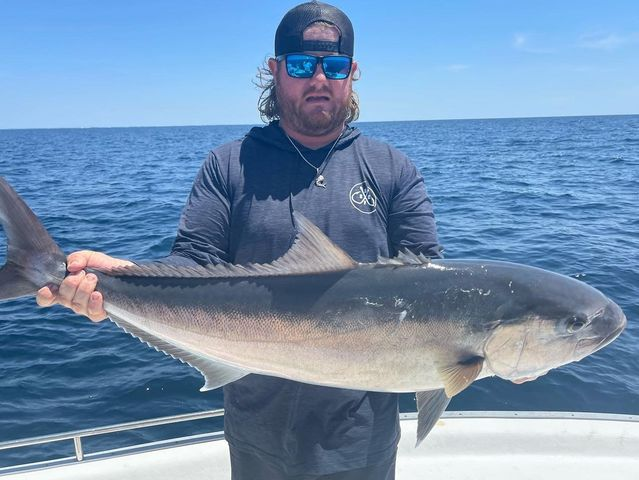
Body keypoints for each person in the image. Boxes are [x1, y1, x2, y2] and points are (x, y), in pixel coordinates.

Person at [37, 2, 441, 478]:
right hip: (258, 433)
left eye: (333, 66)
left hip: (363, 438)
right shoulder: (230, 166)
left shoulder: (393, 170)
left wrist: (506, 351)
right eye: (300, 65)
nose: (318, 79)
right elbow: (192, 262)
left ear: (352, 74)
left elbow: (429, 288)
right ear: (274, 71)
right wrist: (116, 280)